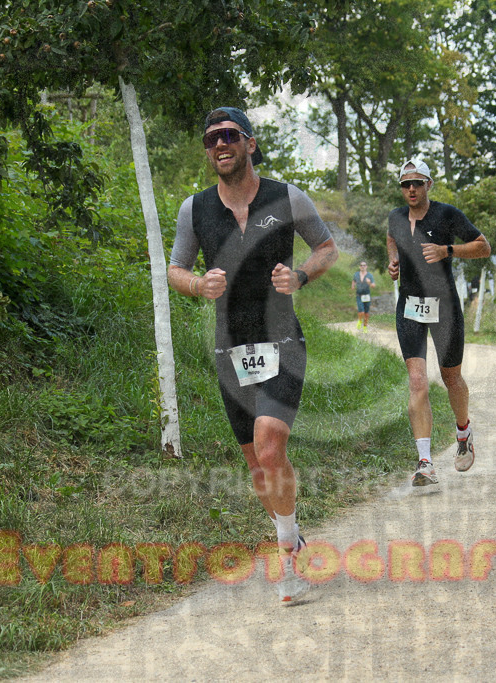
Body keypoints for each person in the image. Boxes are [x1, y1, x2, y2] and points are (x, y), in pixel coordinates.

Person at [167, 107, 338, 603]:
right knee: (258, 466)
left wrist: (301, 275)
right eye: (210, 139)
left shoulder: (286, 197)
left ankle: (288, 563)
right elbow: (176, 269)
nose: (219, 145)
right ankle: (294, 533)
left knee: (269, 444)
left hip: (282, 340)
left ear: (250, 143)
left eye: (228, 135)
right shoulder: (194, 210)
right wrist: (199, 284)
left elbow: (326, 247)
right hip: (230, 350)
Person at [387, 159, 491, 486]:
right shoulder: (396, 216)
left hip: (444, 307)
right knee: (417, 381)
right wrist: (392, 261)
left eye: (418, 183)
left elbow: (483, 247)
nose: (412, 189)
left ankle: (464, 432)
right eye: (406, 184)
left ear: (429, 184)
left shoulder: (447, 214)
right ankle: (425, 463)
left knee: (451, 377)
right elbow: (392, 237)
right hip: (410, 306)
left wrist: (448, 250)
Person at [352, 261, 375, 331]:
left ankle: (365, 327)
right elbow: (354, 281)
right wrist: (353, 285)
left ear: (366, 266)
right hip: (359, 295)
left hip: (367, 296)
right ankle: (359, 321)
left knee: (366, 313)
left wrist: (369, 283)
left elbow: (373, 286)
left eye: (364, 265)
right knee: (361, 311)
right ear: (359, 267)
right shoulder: (356, 274)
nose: (363, 267)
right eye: (361, 265)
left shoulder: (369, 275)